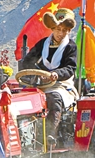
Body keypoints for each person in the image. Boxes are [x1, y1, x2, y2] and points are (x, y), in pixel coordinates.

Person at [21, 8, 78, 140]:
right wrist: (37, 73)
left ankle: (50, 134)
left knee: (54, 98)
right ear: (52, 29)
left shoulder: (71, 46)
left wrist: (56, 74)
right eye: (58, 29)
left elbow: (70, 68)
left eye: (64, 30)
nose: (60, 33)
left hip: (60, 84)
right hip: (39, 83)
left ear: (69, 31)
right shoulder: (43, 44)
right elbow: (27, 61)